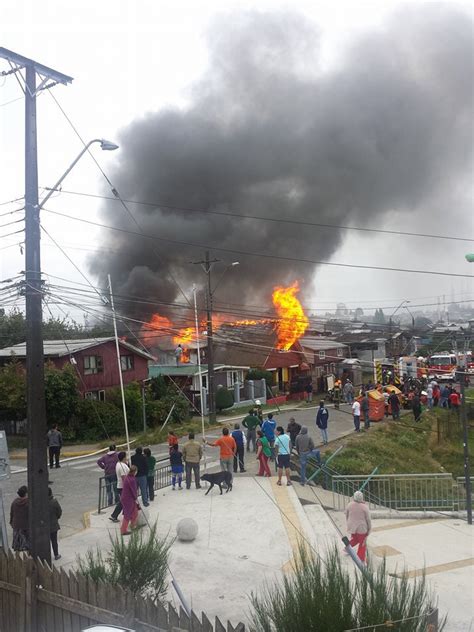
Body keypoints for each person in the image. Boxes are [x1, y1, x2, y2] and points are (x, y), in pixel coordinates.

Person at [345, 490, 371, 563]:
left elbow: (347, 515)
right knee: (362, 543)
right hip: (361, 528)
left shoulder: (349, 505)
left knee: (355, 539)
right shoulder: (364, 507)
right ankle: (360, 558)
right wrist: (369, 530)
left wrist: (349, 524)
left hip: (352, 527)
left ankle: (347, 549)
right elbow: (368, 519)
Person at [109, 451, 129, 523]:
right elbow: (124, 478)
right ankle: (115, 515)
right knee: (124, 502)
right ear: (124, 458)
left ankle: (114, 515)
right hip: (123, 487)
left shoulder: (119, 464)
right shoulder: (122, 466)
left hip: (120, 486)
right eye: (126, 456)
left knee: (123, 502)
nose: (127, 458)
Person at [121, 465, 140, 535]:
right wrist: (136, 499)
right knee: (127, 514)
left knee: (135, 512)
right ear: (135, 472)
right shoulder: (132, 480)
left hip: (127, 498)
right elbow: (134, 490)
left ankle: (132, 525)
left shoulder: (128, 477)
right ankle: (123, 530)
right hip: (128, 499)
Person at [10, 485, 29, 552]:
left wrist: (11, 523)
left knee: (18, 547)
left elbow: (12, 514)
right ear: (26, 493)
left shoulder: (14, 502)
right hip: (25, 527)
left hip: (16, 526)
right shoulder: (28, 503)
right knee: (27, 547)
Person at [49, 487, 63, 560]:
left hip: (44, 526)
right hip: (53, 525)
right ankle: (56, 554)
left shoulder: (41, 503)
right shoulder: (54, 502)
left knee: (46, 541)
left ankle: (46, 555)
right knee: (54, 540)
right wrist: (56, 518)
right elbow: (59, 512)